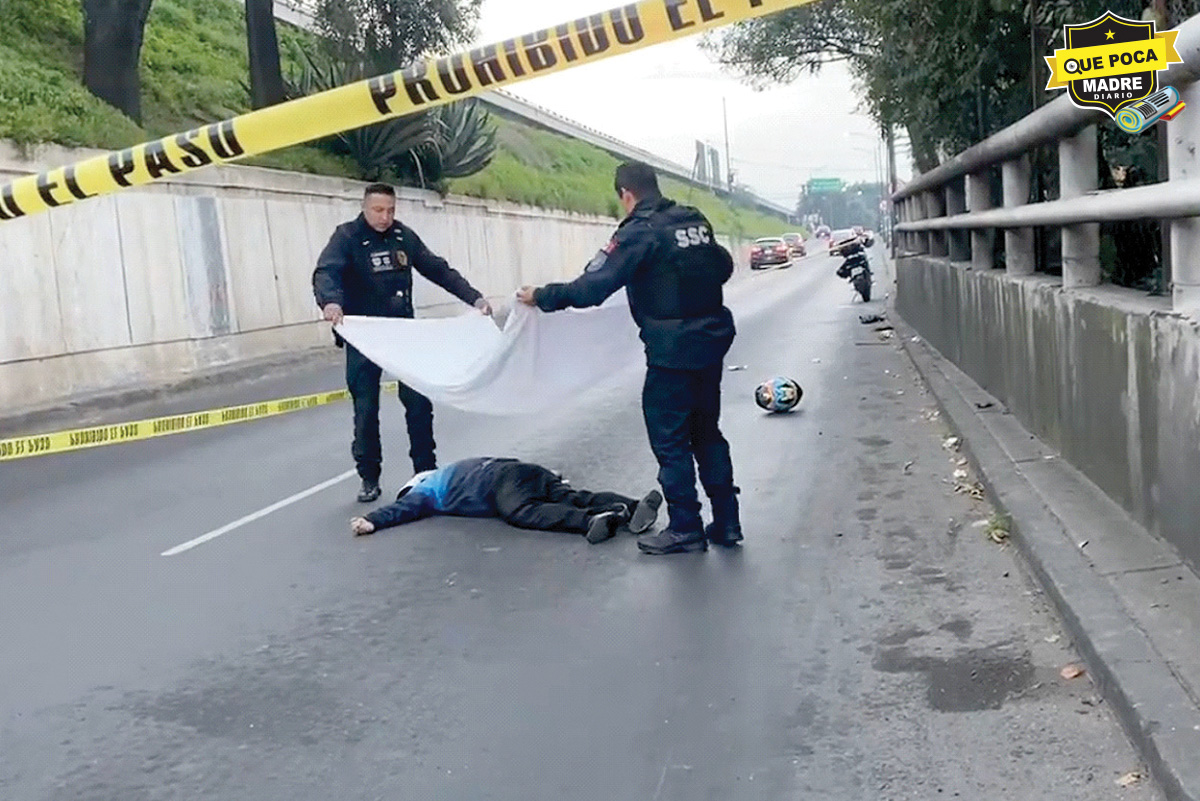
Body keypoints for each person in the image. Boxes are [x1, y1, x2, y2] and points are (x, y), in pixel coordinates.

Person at [516, 162, 742, 555]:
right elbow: (722, 266)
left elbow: (593, 288)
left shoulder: (640, 231)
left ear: (626, 194)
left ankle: (686, 529)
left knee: (671, 441)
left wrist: (542, 296)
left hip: (672, 352)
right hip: (711, 343)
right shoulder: (693, 220)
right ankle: (726, 522)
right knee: (707, 433)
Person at [314, 183, 492, 503]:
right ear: (365, 208)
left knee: (419, 403)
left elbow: (437, 269)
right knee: (366, 410)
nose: (385, 217)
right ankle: (369, 477)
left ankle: (425, 471)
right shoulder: (347, 237)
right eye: (379, 210)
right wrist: (330, 302)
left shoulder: (402, 237)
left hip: (404, 336)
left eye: (391, 211)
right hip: (366, 337)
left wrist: (474, 298)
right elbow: (327, 273)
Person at [349, 457, 663, 543]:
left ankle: (594, 521)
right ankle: (633, 506)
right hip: (522, 470)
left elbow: (405, 507)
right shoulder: (454, 468)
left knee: (523, 512)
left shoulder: (427, 489)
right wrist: (549, 475)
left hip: (500, 484)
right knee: (574, 496)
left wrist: (373, 520)